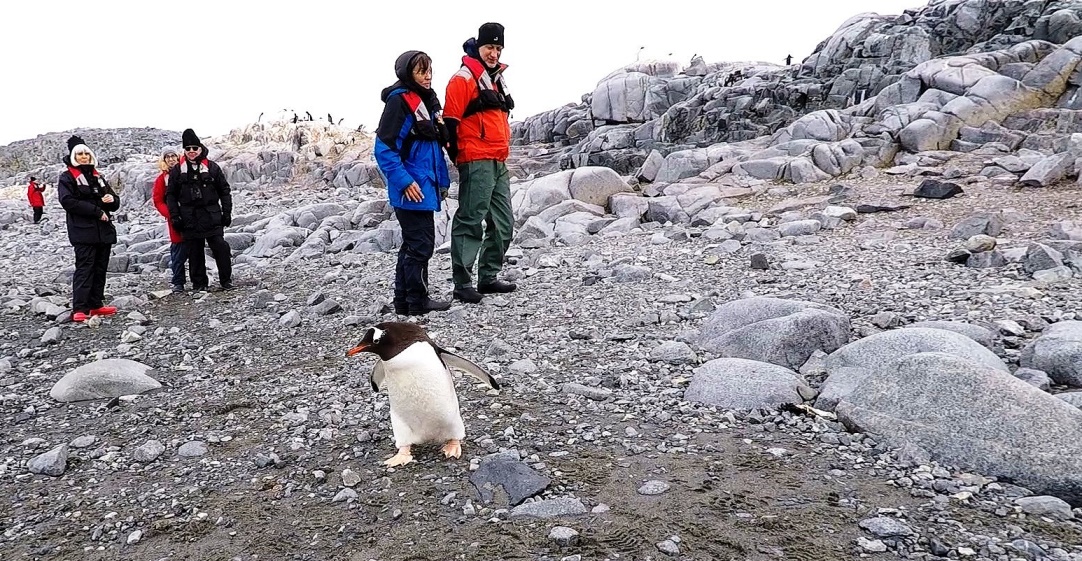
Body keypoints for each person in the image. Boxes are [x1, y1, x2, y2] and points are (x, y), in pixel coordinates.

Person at [374, 50, 453, 316]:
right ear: (408, 74)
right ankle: (418, 302)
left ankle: (404, 302)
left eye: (430, 70)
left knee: (412, 244)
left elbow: (431, 149)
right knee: (421, 244)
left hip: (422, 185)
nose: (428, 76)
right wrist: (405, 181)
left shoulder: (424, 102)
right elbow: (384, 149)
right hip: (412, 188)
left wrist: (441, 181)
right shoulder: (400, 103)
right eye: (421, 71)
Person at [444, 22, 517, 304]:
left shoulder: (496, 79)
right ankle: (462, 284)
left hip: (498, 159)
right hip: (476, 157)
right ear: (479, 46)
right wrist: (459, 156)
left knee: (503, 222)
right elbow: (450, 121)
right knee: (471, 219)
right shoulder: (462, 79)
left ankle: (487, 277)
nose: (494, 53)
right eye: (490, 47)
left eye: (498, 48)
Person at [56, 135, 120, 322]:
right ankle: (80, 307)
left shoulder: (97, 177)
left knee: (100, 267)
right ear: (74, 156)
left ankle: (96, 304)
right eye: (80, 154)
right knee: (85, 267)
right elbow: (68, 201)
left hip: (103, 230)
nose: (84, 156)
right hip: (83, 231)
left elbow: (114, 201)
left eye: (86, 153)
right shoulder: (67, 177)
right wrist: (96, 210)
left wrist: (112, 201)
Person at [166, 129, 233, 291]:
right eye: (188, 149)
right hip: (189, 219)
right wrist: (175, 216)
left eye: (194, 148)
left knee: (220, 248)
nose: (191, 152)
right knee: (194, 253)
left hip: (212, 217)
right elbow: (171, 196)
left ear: (200, 149)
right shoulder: (177, 171)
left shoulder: (212, 167)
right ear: (184, 150)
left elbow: (225, 191)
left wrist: (227, 212)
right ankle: (199, 284)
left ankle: (226, 280)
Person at [152, 148, 188, 292]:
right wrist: (171, 214)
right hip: (175, 219)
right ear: (164, 160)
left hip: (192, 216)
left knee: (195, 249)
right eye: (168, 157)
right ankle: (178, 282)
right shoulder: (162, 179)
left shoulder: (186, 172)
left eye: (174, 156)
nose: (172, 159)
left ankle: (198, 280)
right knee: (178, 251)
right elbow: (158, 200)